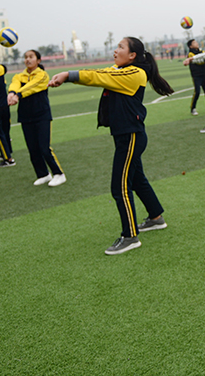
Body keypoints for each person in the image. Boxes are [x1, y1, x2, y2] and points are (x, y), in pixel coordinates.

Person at [49, 37, 173, 255]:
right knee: (136, 179)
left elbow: (99, 76)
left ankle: (130, 236)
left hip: (131, 136)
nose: (116, 51)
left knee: (120, 186)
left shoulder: (134, 73)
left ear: (133, 55)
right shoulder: (122, 69)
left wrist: (68, 75)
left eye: (120, 47)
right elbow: (102, 72)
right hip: (126, 135)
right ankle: (156, 217)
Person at [7, 49, 66, 187]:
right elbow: (15, 84)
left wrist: (17, 95)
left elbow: (31, 87)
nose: (28, 59)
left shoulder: (42, 75)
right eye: (26, 57)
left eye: (31, 57)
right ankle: (43, 174)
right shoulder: (18, 76)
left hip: (42, 115)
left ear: (38, 60)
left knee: (44, 148)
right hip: (25, 116)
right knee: (32, 148)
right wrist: (11, 93)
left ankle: (59, 174)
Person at [186, 39, 205, 116]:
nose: (197, 43)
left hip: (204, 75)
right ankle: (193, 108)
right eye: (194, 43)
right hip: (196, 76)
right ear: (191, 46)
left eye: (196, 42)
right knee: (197, 92)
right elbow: (200, 60)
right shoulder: (190, 54)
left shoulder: (201, 51)